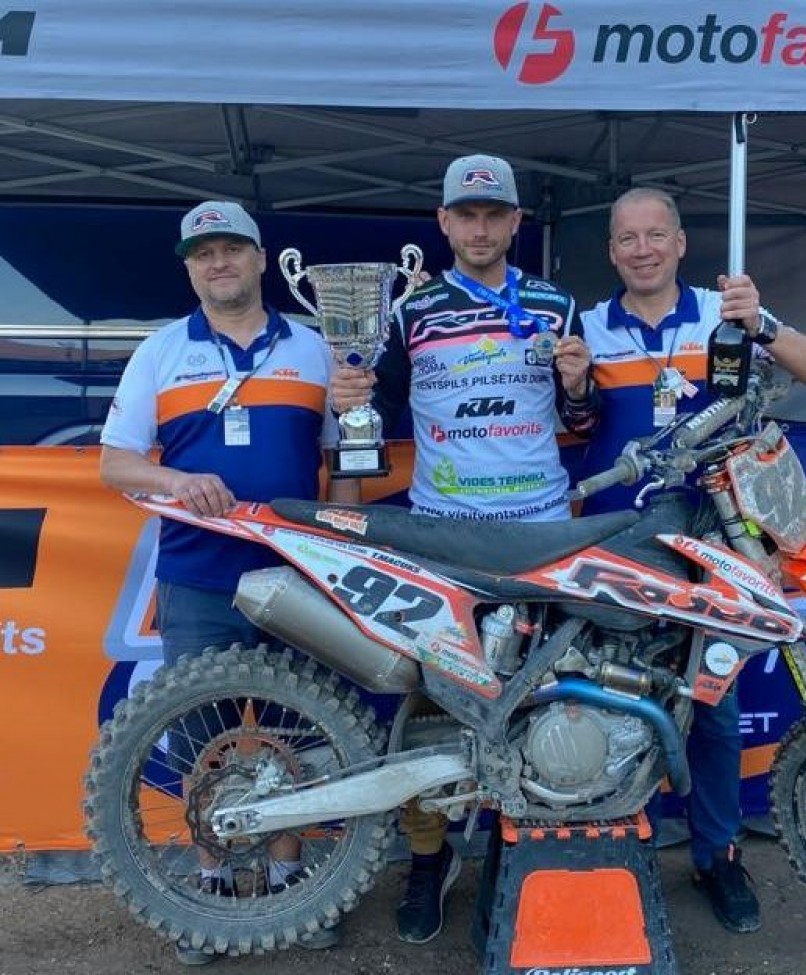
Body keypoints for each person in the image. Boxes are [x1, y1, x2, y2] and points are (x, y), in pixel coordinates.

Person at [329, 153, 598, 943]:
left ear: (516, 222)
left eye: (494, 214)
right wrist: (349, 399)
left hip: (542, 528)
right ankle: (428, 856)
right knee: (429, 700)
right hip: (444, 532)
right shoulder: (408, 311)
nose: (480, 228)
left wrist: (578, 388)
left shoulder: (555, 304)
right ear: (444, 223)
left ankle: (534, 847)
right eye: (466, 215)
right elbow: (373, 420)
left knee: (550, 691)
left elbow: (581, 424)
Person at [577, 186, 806, 934]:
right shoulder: (588, 327)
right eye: (627, 238)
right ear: (611, 251)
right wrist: (571, 382)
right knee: (613, 700)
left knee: (714, 707)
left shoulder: (722, 313)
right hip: (620, 542)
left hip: (717, 537)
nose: (642, 250)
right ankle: (618, 847)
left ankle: (717, 856)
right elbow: (564, 417)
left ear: (680, 242)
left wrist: (762, 324)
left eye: (654, 235)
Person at [99, 200, 352, 965]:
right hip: (197, 578)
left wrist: (343, 550)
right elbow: (116, 462)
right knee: (202, 741)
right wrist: (177, 481)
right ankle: (209, 887)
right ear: (189, 268)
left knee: (296, 734)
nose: (218, 263)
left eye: (231, 249)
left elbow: (345, 460)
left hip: (295, 576)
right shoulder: (161, 352)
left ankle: (289, 878)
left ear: (260, 258)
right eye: (203, 253)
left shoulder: (315, 348)